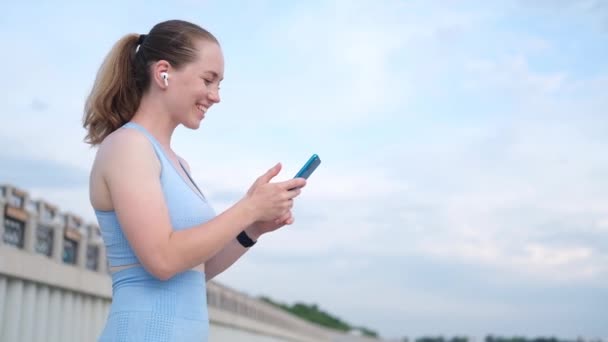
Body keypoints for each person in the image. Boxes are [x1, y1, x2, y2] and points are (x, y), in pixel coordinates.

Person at [83, 19, 306, 341]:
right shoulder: (128, 146)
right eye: (208, 80)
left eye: (220, 85)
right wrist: (249, 207)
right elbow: (162, 260)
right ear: (163, 72)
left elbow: (194, 268)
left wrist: (253, 228)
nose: (215, 96)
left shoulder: (177, 163)